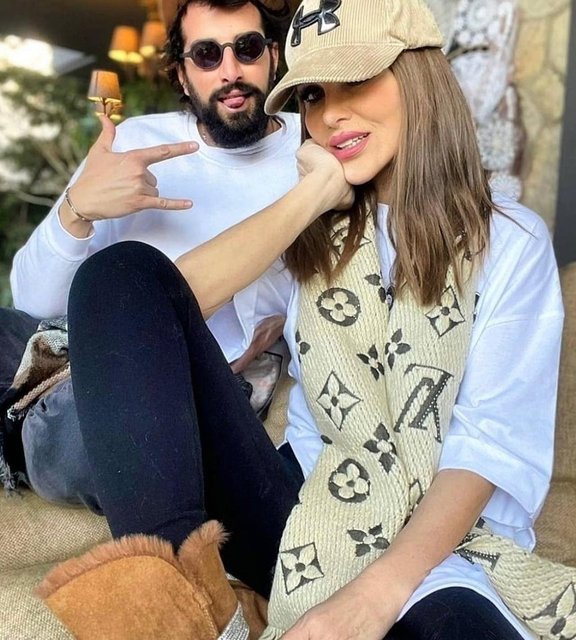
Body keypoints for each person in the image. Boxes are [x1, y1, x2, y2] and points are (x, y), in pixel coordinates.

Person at [38, 0, 574, 639]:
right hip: (307, 510)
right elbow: (146, 309)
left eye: (356, 80)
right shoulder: (313, 228)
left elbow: (486, 444)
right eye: (314, 94)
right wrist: (314, 197)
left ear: (420, 78)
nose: (329, 114)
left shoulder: (510, 242)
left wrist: (370, 599)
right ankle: (180, 617)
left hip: (444, 541)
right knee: (118, 270)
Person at [0, 0, 300, 502]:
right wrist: (77, 210)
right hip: (75, 341)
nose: (230, 71)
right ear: (182, 74)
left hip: (184, 378)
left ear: (272, 55)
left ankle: (23, 424)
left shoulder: (311, 150)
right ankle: (32, 419)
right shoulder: (136, 142)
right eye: (207, 55)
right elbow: (31, 303)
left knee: (88, 452)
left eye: (246, 49)